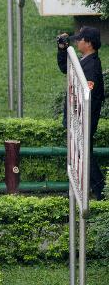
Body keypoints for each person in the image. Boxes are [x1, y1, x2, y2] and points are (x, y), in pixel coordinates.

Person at [57, 26, 105, 200]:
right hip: (79, 118)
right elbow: (65, 68)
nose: (77, 41)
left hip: (83, 119)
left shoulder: (91, 65)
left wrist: (78, 119)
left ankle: (100, 190)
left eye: (80, 39)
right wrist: (62, 50)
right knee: (80, 153)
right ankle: (89, 190)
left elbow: (88, 96)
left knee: (83, 154)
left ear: (89, 43)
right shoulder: (85, 60)